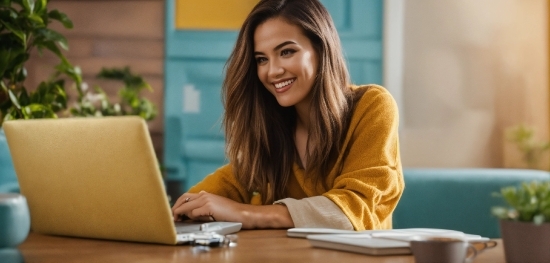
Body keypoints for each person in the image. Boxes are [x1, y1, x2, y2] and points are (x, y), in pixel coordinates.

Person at [171, 0, 404, 231]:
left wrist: (244, 213)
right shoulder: (274, 126)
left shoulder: (373, 106)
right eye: (262, 59)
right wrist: (177, 210)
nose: (272, 71)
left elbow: (354, 210)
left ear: (321, 50)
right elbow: (226, 185)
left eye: (286, 52)